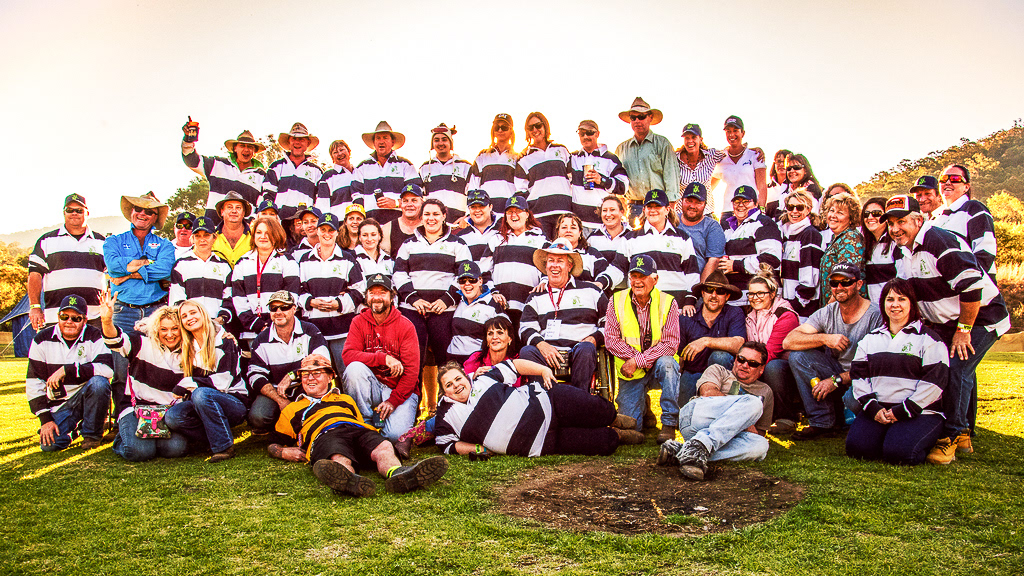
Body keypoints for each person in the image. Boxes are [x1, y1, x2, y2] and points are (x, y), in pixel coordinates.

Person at [884, 195, 1009, 464]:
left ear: (919, 220)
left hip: (981, 316)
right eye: (891, 223)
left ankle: (951, 436)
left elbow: (971, 287)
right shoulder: (902, 250)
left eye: (901, 221)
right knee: (942, 367)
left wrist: (964, 330)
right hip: (945, 321)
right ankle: (962, 433)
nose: (895, 229)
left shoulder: (939, 241)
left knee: (957, 366)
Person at [269, 354, 449, 496]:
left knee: (384, 447)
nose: (310, 378)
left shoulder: (345, 399)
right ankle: (349, 480)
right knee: (338, 455)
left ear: (330, 376)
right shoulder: (292, 409)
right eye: (305, 374)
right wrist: (283, 452)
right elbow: (273, 442)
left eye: (316, 373)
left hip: (357, 429)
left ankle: (399, 475)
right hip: (325, 434)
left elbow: (359, 422)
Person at [434, 359, 643, 458]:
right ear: (444, 392)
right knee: (604, 443)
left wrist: (543, 370)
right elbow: (446, 444)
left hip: (548, 401)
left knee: (597, 409)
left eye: (458, 379)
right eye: (449, 385)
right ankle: (618, 434)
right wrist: (478, 449)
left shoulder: (484, 379)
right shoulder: (446, 416)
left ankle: (614, 418)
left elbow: (515, 365)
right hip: (543, 443)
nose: (456, 386)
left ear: (466, 377)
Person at [846, 279, 949, 465]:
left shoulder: (929, 340)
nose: (895, 305)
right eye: (890, 299)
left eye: (902, 299)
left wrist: (903, 410)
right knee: (857, 449)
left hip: (920, 412)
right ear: (883, 303)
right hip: (880, 410)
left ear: (911, 303)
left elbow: (934, 383)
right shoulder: (870, 340)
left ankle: (928, 438)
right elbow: (859, 378)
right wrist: (873, 408)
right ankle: (890, 436)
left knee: (900, 454)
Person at [783, 263, 883, 440]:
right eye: (834, 283)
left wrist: (835, 380)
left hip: (865, 377)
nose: (839, 287)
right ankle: (822, 422)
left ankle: (861, 421)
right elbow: (788, 341)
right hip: (836, 370)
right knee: (798, 357)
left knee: (853, 401)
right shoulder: (828, 312)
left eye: (846, 282)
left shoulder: (875, 315)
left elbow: (877, 366)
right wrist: (824, 338)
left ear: (859, 284)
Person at [657, 342, 773, 481]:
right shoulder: (718, 370)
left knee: (761, 446)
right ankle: (700, 445)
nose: (744, 365)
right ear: (735, 359)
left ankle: (683, 452)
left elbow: (758, 434)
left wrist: (741, 423)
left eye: (752, 363)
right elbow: (707, 393)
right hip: (697, 418)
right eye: (741, 359)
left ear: (761, 369)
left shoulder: (765, 391)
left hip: (725, 437)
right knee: (754, 403)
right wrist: (744, 420)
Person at [104, 192, 175, 408]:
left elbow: (165, 270)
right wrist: (147, 264)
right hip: (123, 311)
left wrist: (127, 274)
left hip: (156, 312)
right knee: (120, 368)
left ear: (155, 218)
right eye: (138, 209)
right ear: (131, 212)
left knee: (156, 364)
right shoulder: (113, 241)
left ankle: (155, 413)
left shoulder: (165, 245)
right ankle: (123, 416)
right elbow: (113, 266)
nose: (143, 214)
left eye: (149, 211)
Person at [100, 294, 188, 462]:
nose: (169, 334)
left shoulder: (189, 351)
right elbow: (115, 340)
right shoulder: (141, 343)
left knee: (176, 449)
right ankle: (123, 439)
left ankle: (149, 440)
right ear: (156, 329)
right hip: (136, 409)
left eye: (175, 329)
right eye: (163, 329)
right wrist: (106, 321)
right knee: (140, 452)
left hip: (168, 412)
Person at [604, 255, 681, 443]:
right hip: (631, 372)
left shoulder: (669, 302)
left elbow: (670, 343)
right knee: (631, 427)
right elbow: (611, 340)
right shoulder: (615, 300)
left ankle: (669, 423)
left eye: (643, 276)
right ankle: (645, 408)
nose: (637, 281)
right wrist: (634, 361)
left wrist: (637, 361)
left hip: (657, 367)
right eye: (634, 276)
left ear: (655, 279)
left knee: (668, 364)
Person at [518, 239, 608, 391]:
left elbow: (610, 323)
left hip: (579, 350)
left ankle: (578, 399)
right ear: (546, 266)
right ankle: (542, 399)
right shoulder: (536, 296)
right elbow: (526, 328)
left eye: (560, 261)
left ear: (569, 266)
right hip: (547, 353)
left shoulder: (592, 291)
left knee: (586, 349)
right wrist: (541, 345)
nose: (554, 265)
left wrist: (594, 339)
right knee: (527, 352)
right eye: (551, 261)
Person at [393, 199, 472, 372]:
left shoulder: (458, 244)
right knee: (412, 360)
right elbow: (399, 273)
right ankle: (414, 390)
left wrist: (446, 300)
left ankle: (447, 390)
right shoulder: (408, 244)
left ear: (444, 216)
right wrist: (413, 299)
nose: (431, 218)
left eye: (436, 214)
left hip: (444, 311)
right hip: (412, 310)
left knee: (446, 360)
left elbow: (464, 275)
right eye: (427, 214)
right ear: (421, 217)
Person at [26, 294, 113, 451]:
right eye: (64, 316)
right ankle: (76, 429)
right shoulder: (41, 339)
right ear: (58, 317)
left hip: (87, 395)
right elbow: (34, 383)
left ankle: (92, 435)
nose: (69, 322)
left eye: (76, 318)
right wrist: (45, 420)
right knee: (50, 446)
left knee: (99, 383)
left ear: (85, 320)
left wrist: (69, 369)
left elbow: (108, 369)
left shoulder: (95, 335)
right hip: (60, 404)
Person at [164, 300, 248, 462]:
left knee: (201, 394)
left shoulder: (224, 340)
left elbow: (223, 382)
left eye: (193, 313)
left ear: (203, 313)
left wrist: (187, 383)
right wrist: (142, 326)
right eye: (184, 316)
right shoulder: (187, 346)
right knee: (173, 416)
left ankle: (223, 447)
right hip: (202, 403)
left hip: (234, 402)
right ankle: (213, 437)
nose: (189, 318)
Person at [342, 273, 421, 442]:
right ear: (366, 297)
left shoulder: (405, 325)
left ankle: (394, 419)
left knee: (395, 436)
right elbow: (348, 356)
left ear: (392, 297)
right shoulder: (358, 321)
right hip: (372, 386)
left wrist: (393, 401)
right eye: (372, 293)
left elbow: (412, 373)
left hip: (398, 389)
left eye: (382, 293)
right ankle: (364, 423)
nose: (377, 298)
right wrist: (383, 358)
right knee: (354, 369)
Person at [246, 291, 330, 432]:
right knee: (258, 417)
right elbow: (254, 375)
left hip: (305, 385)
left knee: (317, 412)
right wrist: (280, 400)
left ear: (294, 309)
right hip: (275, 391)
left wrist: (292, 375)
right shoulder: (261, 340)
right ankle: (281, 424)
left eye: (284, 307)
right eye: (274, 308)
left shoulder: (310, 330)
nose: (278, 312)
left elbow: (322, 361)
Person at [297, 211, 364, 374]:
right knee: (317, 374)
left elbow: (359, 290)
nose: (327, 234)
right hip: (313, 330)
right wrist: (310, 302)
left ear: (337, 232)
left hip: (342, 329)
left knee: (345, 373)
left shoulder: (347, 258)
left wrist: (338, 304)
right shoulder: (304, 259)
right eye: (323, 230)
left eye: (331, 230)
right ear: (317, 231)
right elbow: (297, 290)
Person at [28, 193, 107, 330]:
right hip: (57, 316)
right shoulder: (46, 241)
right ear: (63, 213)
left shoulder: (102, 242)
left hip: (94, 317)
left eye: (79, 210)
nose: (74, 213)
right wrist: (35, 307)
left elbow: (114, 274)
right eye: (70, 210)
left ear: (87, 213)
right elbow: (34, 274)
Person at [744, 266, 801, 433]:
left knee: (773, 366)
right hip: (761, 363)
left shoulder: (785, 315)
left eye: (760, 293)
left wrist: (747, 370)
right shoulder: (750, 314)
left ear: (772, 293)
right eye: (751, 294)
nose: (755, 298)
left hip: (785, 369)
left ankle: (787, 416)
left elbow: (771, 352)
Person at [624, 189, 700, 311]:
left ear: (667, 209)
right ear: (644, 210)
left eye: (657, 206)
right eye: (649, 206)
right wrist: (601, 282)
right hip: (642, 308)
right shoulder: (630, 238)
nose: (653, 210)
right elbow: (618, 268)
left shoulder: (682, 237)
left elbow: (692, 273)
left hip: (676, 306)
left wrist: (690, 301)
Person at [677, 272, 746, 406]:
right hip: (693, 372)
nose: (714, 295)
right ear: (703, 293)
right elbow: (679, 357)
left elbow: (739, 345)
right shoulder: (687, 318)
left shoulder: (735, 313)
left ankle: (721, 406)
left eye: (720, 292)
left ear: (727, 296)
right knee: (686, 411)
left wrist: (705, 341)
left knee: (720, 356)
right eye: (709, 290)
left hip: (723, 377)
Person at [229, 216, 300, 343]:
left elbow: (291, 297)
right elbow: (238, 299)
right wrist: (256, 324)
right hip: (251, 331)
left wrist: (273, 324)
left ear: (276, 235)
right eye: (259, 232)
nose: (263, 236)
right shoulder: (242, 262)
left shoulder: (287, 261)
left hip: (281, 329)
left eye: (268, 233)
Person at [486, 195, 547, 330]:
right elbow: (484, 271)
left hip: (529, 305)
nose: (514, 215)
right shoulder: (496, 239)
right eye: (510, 212)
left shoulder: (540, 239)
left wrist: (544, 281)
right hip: (500, 305)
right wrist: (493, 292)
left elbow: (549, 267)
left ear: (527, 214)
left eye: (518, 211)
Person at [180, 127, 266, 222]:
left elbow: (261, 207)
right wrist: (188, 140)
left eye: (250, 147)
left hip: (243, 229)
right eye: (242, 146)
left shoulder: (262, 176)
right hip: (213, 227)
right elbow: (191, 160)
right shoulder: (217, 164)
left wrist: (251, 224)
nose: (246, 149)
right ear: (235, 148)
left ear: (254, 151)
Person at [615, 97, 680, 221]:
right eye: (633, 118)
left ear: (650, 117)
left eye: (641, 117)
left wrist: (670, 208)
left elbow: (671, 176)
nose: (637, 121)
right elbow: (617, 180)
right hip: (633, 207)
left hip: (658, 206)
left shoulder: (662, 144)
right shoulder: (621, 149)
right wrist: (620, 201)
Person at [933, 164, 998, 283]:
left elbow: (985, 252)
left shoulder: (974, 209)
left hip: (972, 289)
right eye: (943, 179)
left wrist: (968, 283)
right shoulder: (934, 218)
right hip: (943, 290)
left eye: (955, 179)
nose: (948, 182)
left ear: (966, 187)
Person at [720, 185, 783, 306]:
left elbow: (772, 260)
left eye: (746, 201)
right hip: (735, 299)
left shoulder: (764, 223)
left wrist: (735, 265)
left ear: (756, 203)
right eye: (737, 202)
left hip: (758, 299)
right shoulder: (728, 228)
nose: (741, 205)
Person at [351, 121, 421, 225]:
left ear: (392, 142)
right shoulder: (362, 167)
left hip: (400, 224)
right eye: (378, 138)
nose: (381, 142)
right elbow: (356, 195)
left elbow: (417, 194)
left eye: (385, 138)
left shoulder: (405, 165)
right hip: (371, 226)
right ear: (374, 142)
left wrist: (396, 203)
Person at [515, 112, 572, 238]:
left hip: (563, 211)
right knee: (542, 250)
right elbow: (520, 190)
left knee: (562, 249)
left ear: (545, 126)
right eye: (531, 128)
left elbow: (572, 179)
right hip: (539, 216)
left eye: (538, 125)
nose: (535, 130)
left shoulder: (561, 150)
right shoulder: (524, 158)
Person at [169, 216, 232, 324]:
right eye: (197, 236)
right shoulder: (181, 265)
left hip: (217, 326)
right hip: (190, 325)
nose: (202, 240)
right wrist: (193, 321)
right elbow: (177, 300)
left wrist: (220, 319)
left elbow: (229, 299)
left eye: (206, 235)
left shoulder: (224, 266)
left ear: (214, 238)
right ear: (192, 239)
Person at [568, 119, 629, 231]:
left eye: (589, 132)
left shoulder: (611, 159)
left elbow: (624, 187)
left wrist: (602, 180)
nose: (585, 136)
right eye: (582, 133)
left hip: (602, 225)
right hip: (578, 225)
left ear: (597, 134)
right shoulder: (573, 158)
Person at [448, 261, 507, 365]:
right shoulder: (458, 301)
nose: (467, 284)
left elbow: (505, 337)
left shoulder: (493, 304)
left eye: (472, 280)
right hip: (452, 363)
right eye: (462, 281)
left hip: (477, 364)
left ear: (480, 281)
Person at [709, 116, 767, 220]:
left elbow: (762, 186)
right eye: (728, 131)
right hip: (728, 211)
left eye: (735, 130)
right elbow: (709, 187)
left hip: (750, 210)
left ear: (742, 133)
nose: (732, 134)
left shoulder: (755, 155)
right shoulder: (721, 157)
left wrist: (762, 209)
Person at [262, 122, 324, 220]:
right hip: (279, 222)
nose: (297, 142)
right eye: (294, 139)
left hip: (304, 223)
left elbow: (320, 201)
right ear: (289, 142)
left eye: (301, 139)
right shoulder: (276, 167)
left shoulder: (317, 171)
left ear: (308, 143)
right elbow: (268, 196)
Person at [780, 188, 824, 321]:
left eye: (799, 207)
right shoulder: (785, 233)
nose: (794, 211)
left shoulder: (810, 234)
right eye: (790, 207)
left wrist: (793, 305)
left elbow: (810, 280)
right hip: (787, 304)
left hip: (803, 310)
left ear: (808, 209)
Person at [551, 213, 623, 293]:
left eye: (573, 228)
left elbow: (606, 272)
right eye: (564, 227)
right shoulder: (549, 252)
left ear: (580, 232)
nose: (568, 230)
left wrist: (600, 283)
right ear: (558, 232)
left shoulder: (591, 254)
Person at [468, 113, 518, 217]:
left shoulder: (517, 158)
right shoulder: (483, 156)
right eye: (497, 127)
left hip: (508, 214)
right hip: (486, 214)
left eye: (504, 127)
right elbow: (473, 186)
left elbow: (521, 188)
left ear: (511, 131)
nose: (500, 130)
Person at [420, 123, 472, 224]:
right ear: (432, 144)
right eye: (436, 140)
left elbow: (473, 194)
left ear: (450, 143)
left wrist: (467, 217)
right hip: (433, 224)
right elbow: (420, 198)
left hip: (458, 224)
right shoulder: (425, 168)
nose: (440, 143)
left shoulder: (465, 166)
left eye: (444, 139)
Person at [820, 192, 865, 304]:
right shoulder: (836, 238)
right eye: (831, 210)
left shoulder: (850, 238)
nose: (833, 215)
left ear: (851, 219)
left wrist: (829, 308)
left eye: (840, 213)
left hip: (845, 305)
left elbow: (846, 279)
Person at [677, 182, 727, 281]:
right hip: (671, 277)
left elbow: (714, 260)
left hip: (697, 279)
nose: (692, 206)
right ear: (681, 201)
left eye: (698, 203)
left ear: (705, 205)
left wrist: (700, 287)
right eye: (689, 201)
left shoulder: (712, 226)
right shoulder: (671, 221)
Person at [677, 124, 725, 217]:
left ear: (700, 139)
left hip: (706, 214)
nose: (690, 141)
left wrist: (751, 150)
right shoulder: (675, 159)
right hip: (682, 215)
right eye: (687, 138)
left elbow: (731, 154)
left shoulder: (711, 156)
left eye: (694, 137)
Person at [860, 197, 899, 305]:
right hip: (873, 308)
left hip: (893, 306)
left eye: (876, 213)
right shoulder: (865, 245)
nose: (870, 217)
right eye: (866, 214)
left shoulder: (895, 244)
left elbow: (903, 279)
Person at [588, 196, 634, 281]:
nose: (608, 214)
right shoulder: (592, 238)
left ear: (622, 212)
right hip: (599, 285)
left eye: (612, 210)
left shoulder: (633, 237)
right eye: (604, 210)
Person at [454, 189, 499, 276]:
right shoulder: (460, 237)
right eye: (473, 207)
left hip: (497, 283)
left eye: (481, 206)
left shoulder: (503, 232)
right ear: (469, 209)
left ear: (490, 207)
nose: (477, 210)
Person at [772, 153, 822, 220]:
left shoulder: (812, 191)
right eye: (789, 168)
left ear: (805, 170)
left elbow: (813, 217)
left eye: (796, 168)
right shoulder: (785, 191)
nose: (792, 171)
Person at [316, 139, 356, 220]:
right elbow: (322, 206)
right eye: (335, 152)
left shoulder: (359, 172)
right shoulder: (328, 177)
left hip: (361, 222)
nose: (339, 154)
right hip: (339, 223)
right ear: (332, 158)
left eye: (341, 150)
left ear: (349, 152)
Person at [210, 191, 253, 267]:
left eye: (238, 208)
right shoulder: (210, 236)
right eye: (229, 207)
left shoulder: (254, 236)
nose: (234, 211)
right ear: (222, 212)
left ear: (244, 213)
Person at [380, 184, 422, 256]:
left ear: (422, 202)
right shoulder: (388, 229)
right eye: (405, 201)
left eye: (414, 200)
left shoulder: (428, 226)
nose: (409, 204)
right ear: (401, 204)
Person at [765, 148, 793, 218]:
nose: (781, 164)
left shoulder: (795, 188)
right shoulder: (766, 189)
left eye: (785, 162)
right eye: (779, 161)